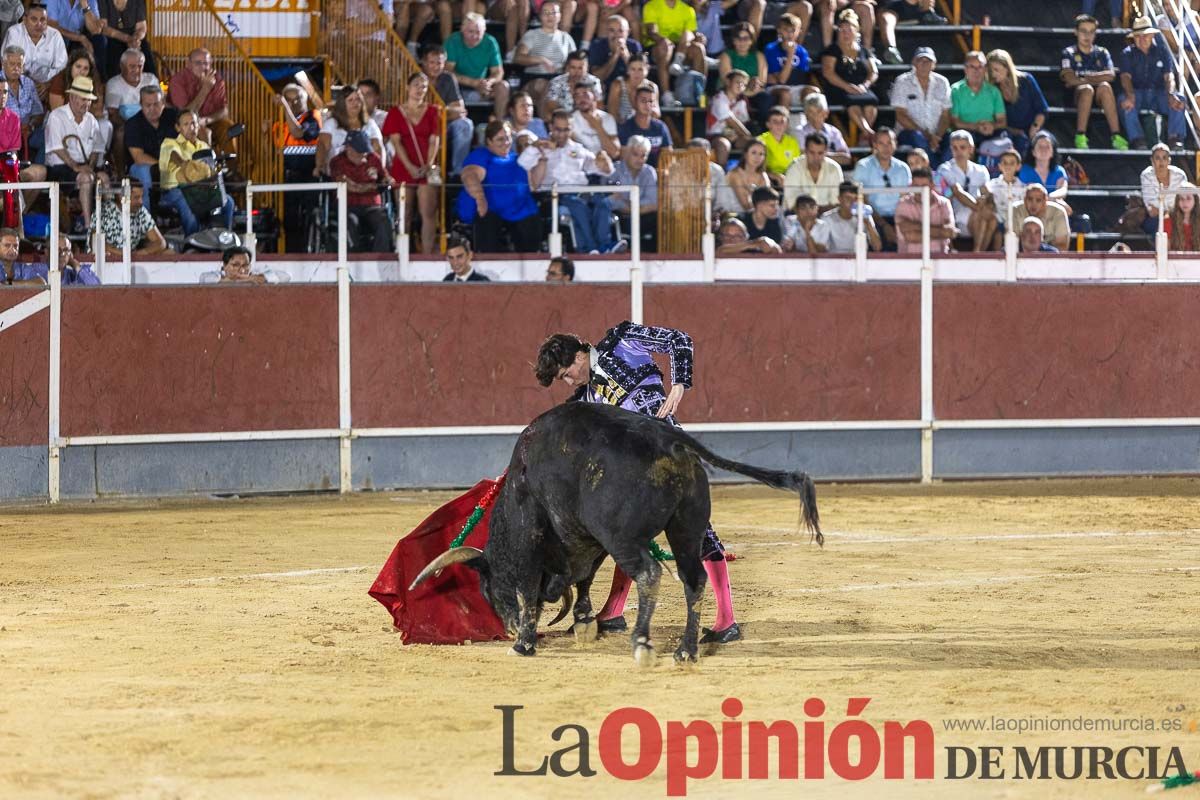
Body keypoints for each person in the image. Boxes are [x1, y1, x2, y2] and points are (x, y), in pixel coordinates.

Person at [534, 322, 743, 643]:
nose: (567, 381)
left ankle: (726, 620)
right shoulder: (587, 397)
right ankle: (613, 612)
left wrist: (679, 385)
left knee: (698, 534)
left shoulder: (622, 342)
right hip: (635, 472)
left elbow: (679, 339)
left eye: (565, 373)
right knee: (625, 533)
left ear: (579, 356)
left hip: (669, 454)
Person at [520, 109, 620, 254]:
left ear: (571, 129)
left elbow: (601, 169)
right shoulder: (541, 147)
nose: (562, 134)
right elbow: (522, 163)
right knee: (578, 205)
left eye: (566, 130)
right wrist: (537, 145)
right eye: (558, 130)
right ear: (551, 128)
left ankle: (604, 245)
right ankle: (591, 247)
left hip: (582, 192)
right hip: (555, 196)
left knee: (603, 203)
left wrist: (605, 162)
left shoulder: (578, 149)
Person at [457, 120, 542, 253]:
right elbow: (469, 176)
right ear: (489, 141)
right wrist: (480, 198)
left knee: (531, 221)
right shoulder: (481, 155)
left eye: (508, 138)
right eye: (500, 139)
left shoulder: (517, 158)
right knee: (488, 221)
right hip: (491, 211)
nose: (506, 143)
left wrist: (543, 158)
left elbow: (534, 185)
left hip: (520, 211)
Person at [384, 72, 441, 255]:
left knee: (429, 213)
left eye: (424, 86)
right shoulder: (395, 112)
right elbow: (396, 142)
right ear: (407, 87)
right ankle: (403, 254)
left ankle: (427, 255)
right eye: (416, 84)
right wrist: (410, 166)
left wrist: (429, 164)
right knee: (404, 214)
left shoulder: (433, 111)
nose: (420, 89)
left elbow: (435, 140)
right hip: (403, 166)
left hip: (427, 166)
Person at [159, 109, 233, 234]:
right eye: (186, 124)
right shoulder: (169, 143)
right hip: (175, 191)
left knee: (228, 202)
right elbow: (175, 156)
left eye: (193, 123)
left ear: (198, 125)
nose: (191, 127)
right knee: (189, 205)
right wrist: (187, 165)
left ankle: (222, 239)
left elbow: (212, 170)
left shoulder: (203, 146)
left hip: (202, 189)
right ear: (178, 128)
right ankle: (192, 244)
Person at [1060, 13, 1127, 150]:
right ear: (1076, 32)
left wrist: (1084, 78)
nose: (1087, 36)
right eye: (1083, 31)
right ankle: (1080, 135)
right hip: (1075, 95)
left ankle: (1116, 135)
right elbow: (1068, 79)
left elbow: (1110, 75)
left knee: (1105, 86)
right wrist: (1090, 79)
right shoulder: (1069, 52)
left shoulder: (1102, 52)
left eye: (1091, 32)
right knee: (1087, 89)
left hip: (1098, 94)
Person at [1118, 16, 1187, 149]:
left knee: (1179, 99)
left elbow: (1169, 76)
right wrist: (1130, 95)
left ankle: (1175, 138)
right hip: (1137, 93)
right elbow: (1125, 78)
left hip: (1159, 93)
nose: (1141, 39)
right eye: (1137, 36)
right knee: (1125, 102)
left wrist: (1171, 93)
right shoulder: (1127, 53)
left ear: (1151, 35)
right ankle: (1138, 139)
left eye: (1144, 36)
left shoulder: (1162, 51)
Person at [45, 74, 103, 229]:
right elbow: (57, 148)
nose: (87, 103)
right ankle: (88, 226)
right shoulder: (57, 116)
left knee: (103, 178)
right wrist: (76, 167)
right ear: (72, 97)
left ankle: (104, 222)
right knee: (85, 178)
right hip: (60, 168)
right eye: (84, 99)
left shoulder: (91, 120)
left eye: (89, 100)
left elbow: (97, 149)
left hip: (83, 165)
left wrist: (90, 165)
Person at [329, 129, 394, 253]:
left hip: (372, 205)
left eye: (364, 150)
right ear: (348, 147)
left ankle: (380, 258)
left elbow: (385, 177)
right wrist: (372, 187)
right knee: (349, 222)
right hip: (348, 205)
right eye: (359, 151)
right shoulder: (337, 162)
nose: (363, 154)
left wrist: (387, 180)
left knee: (383, 220)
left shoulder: (374, 158)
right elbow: (350, 186)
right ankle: (353, 259)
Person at [818, 11, 878, 139]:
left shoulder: (863, 51)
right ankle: (867, 132)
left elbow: (873, 72)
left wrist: (865, 85)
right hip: (839, 87)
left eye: (849, 30)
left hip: (861, 87)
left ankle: (863, 136)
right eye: (842, 30)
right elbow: (828, 73)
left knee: (870, 103)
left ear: (856, 32)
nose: (845, 34)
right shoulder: (832, 50)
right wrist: (847, 87)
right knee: (853, 103)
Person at [167, 48, 234, 158]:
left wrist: (207, 119)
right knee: (204, 132)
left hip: (208, 120)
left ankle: (231, 170)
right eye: (198, 63)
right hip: (184, 124)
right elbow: (185, 113)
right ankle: (208, 168)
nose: (203, 67)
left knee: (227, 126)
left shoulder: (217, 79)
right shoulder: (178, 80)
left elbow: (224, 110)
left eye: (206, 63)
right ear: (188, 64)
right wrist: (205, 89)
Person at [890, 46, 950, 165]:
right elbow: (900, 115)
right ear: (913, 62)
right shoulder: (902, 81)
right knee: (918, 138)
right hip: (909, 132)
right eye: (920, 60)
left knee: (954, 140)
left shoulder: (942, 82)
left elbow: (945, 115)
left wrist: (937, 136)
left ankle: (943, 171)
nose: (924, 64)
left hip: (937, 133)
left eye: (928, 61)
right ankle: (936, 171)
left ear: (934, 64)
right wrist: (926, 135)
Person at [641, 0, 708, 107]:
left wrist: (699, 37)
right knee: (665, 47)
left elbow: (692, 34)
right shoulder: (651, 6)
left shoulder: (688, 9)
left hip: (681, 46)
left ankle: (699, 94)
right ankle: (667, 95)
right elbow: (651, 32)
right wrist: (665, 41)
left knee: (699, 48)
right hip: (657, 46)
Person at [445, 13, 510, 120]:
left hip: (481, 87)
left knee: (503, 86)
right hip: (457, 87)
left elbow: (498, 72)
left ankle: (499, 124)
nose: (474, 36)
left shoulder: (490, 42)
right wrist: (473, 83)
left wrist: (488, 82)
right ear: (462, 29)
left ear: (484, 31)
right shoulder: (453, 41)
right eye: (470, 32)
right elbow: (447, 72)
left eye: (478, 32)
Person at [851, 126, 909, 244]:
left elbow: (905, 199)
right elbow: (861, 200)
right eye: (881, 143)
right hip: (872, 218)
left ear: (895, 144)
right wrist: (884, 225)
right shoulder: (863, 166)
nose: (886, 147)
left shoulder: (903, 168)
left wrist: (897, 224)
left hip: (899, 219)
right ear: (875, 145)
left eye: (889, 142)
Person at [420, 45, 471, 177]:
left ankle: (458, 173)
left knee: (465, 124)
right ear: (424, 62)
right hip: (421, 124)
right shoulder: (417, 78)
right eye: (432, 62)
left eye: (439, 63)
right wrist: (445, 111)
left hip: (444, 124)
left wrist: (437, 113)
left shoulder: (448, 78)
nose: (436, 67)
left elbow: (460, 109)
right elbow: (417, 110)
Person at [986, 48, 1047, 158]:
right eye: (990, 70)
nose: (993, 74)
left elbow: (1042, 109)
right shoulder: (992, 89)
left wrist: (1035, 127)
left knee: (1041, 141)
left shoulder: (1026, 80)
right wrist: (1013, 131)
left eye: (996, 69)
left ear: (1007, 68)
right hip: (1007, 131)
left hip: (1030, 129)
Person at [936, 129, 990, 250]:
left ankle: (979, 253)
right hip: (954, 213)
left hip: (976, 213)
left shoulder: (981, 170)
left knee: (989, 214)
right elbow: (957, 192)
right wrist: (977, 206)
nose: (958, 152)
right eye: (955, 148)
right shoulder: (945, 169)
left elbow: (986, 192)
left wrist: (984, 199)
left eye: (962, 147)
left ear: (971, 149)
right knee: (980, 213)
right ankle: (977, 253)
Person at [123, 85, 175, 210]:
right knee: (143, 170)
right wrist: (163, 166)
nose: (152, 109)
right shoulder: (133, 124)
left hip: (172, 167)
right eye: (148, 105)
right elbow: (138, 157)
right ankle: (146, 219)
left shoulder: (174, 117)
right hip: (146, 167)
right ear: (141, 104)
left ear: (163, 103)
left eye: (156, 104)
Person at [515, 1, 576, 105]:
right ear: (540, 16)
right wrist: (541, 60)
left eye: (553, 12)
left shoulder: (566, 38)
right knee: (546, 86)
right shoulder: (531, 35)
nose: (549, 16)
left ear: (560, 16)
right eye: (545, 12)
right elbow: (518, 58)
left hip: (559, 78)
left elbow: (574, 61)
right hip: (534, 77)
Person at [315, 87, 384, 176]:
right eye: (350, 100)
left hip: (364, 175)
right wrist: (319, 166)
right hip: (337, 174)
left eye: (358, 99)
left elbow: (378, 148)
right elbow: (322, 146)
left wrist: (380, 171)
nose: (355, 103)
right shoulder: (331, 123)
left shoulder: (370, 124)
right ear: (342, 104)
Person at [3, 2, 67, 95]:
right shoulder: (14, 33)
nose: (39, 24)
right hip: (18, 83)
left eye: (42, 20)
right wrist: (26, 84)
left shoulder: (55, 36)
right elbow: (6, 63)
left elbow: (62, 67)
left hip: (46, 87)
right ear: (25, 20)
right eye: (34, 19)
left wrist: (48, 84)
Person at [607, 134, 657, 247]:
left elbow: (653, 203)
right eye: (635, 154)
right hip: (620, 216)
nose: (640, 159)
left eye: (643, 156)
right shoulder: (614, 170)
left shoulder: (649, 172)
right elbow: (612, 201)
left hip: (643, 217)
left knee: (657, 219)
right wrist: (635, 207)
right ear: (627, 153)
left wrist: (630, 207)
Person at [97, 176, 167, 256]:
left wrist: (137, 254)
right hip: (106, 262)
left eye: (141, 197)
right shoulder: (103, 212)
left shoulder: (141, 211)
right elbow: (99, 245)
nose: (141, 202)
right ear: (121, 197)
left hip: (131, 258)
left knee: (169, 253)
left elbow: (160, 243)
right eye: (136, 198)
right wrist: (127, 256)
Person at [84, 0, 152, 81]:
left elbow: (142, 27)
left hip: (133, 37)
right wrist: (127, 38)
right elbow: (103, 28)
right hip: (112, 37)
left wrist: (135, 39)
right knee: (112, 50)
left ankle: (153, 86)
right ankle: (110, 85)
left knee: (145, 48)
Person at [950, 50, 1005, 149]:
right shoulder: (955, 90)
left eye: (980, 66)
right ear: (965, 69)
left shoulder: (994, 91)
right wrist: (976, 127)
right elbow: (954, 122)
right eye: (972, 67)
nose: (976, 70)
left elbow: (1002, 121)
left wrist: (992, 126)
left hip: (989, 133)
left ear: (985, 69)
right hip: (965, 133)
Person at [893, 166, 955, 254]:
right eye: (917, 186)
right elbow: (911, 237)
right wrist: (941, 233)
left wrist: (915, 227)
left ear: (932, 185)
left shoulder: (944, 203)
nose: (920, 190)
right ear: (911, 186)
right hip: (908, 260)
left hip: (941, 259)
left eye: (924, 186)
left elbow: (949, 232)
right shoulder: (903, 204)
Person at [717, 22, 770, 120]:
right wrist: (744, 91)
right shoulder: (726, 56)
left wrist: (750, 91)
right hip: (731, 92)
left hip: (753, 92)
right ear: (733, 40)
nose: (742, 42)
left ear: (751, 41)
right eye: (739, 39)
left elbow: (762, 82)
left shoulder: (759, 56)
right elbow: (727, 80)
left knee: (765, 99)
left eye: (746, 39)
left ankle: (762, 129)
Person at [783, 131, 843, 210]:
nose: (816, 157)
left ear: (826, 152)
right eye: (812, 152)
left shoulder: (834, 168)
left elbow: (836, 201)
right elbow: (791, 201)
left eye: (820, 153)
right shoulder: (794, 167)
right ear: (805, 151)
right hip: (797, 215)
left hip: (828, 216)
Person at [819, 180, 882, 253]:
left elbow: (877, 247)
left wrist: (867, 223)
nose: (852, 202)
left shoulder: (865, 216)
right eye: (848, 198)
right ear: (839, 199)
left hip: (859, 259)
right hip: (835, 260)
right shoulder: (827, 218)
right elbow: (821, 249)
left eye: (855, 199)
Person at [705, 68, 752, 167]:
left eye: (743, 84)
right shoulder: (719, 99)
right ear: (728, 82)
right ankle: (722, 175)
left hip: (734, 135)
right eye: (738, 82)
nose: (740, 86)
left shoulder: (741, 102)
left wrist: (748, 139)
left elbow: (743, 123)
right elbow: (732, 121)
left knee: (754, 145)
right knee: (724, 145)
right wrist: (747, 135)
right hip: (715, 136)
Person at [980, 148, 1025, 248]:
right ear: (1000, 166)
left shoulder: (1023, 188)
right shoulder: (991, 185)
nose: (1008, 166)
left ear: (1018, 167)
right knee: (998, 234)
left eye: (1012, 163)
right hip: (997, 221)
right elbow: (984, 193)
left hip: (1015, 224)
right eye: (1005, 163)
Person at [764, 12, 810, 109]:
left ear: (799, 32)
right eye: (786, 30)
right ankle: (783, 122)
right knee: (785, 93)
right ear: (779, 30)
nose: (789, 34)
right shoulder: (771, 49)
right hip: (775, 89)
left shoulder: (802, 52)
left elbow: (800, 78)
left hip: (796, 87)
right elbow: (782, 80)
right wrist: (790, 54)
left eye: (793, 30)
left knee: (813, 92)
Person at [1141, 142, 1188, 235]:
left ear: (1169, 160)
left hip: (1178, 217)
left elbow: (1184, 202)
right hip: (1156, 219)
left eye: (1164, 157)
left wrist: (1170, 213)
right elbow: (1152, 211)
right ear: (1152, 160)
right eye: (1157, 158)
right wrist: (1168, 212)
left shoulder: (1180, 175)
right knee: (1160, 226)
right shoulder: (1146, 175)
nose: (1161, 161)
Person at [617, 84, 671, 165]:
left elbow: (668, 156)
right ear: (635, 102)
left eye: (651, 101)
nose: (647, 104)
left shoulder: (660, 127)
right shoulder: (625, 127)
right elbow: (624, 159)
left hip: (657, 174)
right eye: (643, 100)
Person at [794, 92, 850, 166]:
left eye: (818, 111)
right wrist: (831, 155)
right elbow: (804, 157)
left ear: (826, 113)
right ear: (806, 114)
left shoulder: (834, 132)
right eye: (810, 112)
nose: (814, 116)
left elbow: (846, 158)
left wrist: (819, 154)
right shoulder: (799, 131)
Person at [589, 13, 643, 90]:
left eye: (620, 31)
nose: (616, 35)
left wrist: (625, 55)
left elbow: (639, 76)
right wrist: (615, 55)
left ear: (628, 32)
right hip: (604, 87)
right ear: (606, 31)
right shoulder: (597, 45)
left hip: (628, 87)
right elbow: (597, 77)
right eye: (612, 30)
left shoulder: (634, 46)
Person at [570, 81, 621, 159]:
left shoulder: (608, 118)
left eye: (585, 94)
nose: (581, 99)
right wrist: (581, 157)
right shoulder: (571, 120)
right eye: (577, 96)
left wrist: (598, 127)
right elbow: (571, 153)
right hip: (581, 164)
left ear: (595, 96)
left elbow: (614, 153)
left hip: (605, 165)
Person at [1018, 130, 1069, 208]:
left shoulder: (1059, 171)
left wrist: (1049, 197)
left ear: (1052, 152)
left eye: (1047, 147)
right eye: (1040, 146)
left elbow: (1063, 190)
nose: (1043, 150)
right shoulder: (1025, 170)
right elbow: (1028, 193)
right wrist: (1050, 200)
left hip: (1053, 207)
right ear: (1033, 152)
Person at [1012, 182, 1069, 252]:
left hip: (1049, 257)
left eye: (1038, 200)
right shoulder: (1015, 209)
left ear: (1045, 201)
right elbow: (1012, 242)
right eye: (1030, 199)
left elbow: (1062, 245)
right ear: (1024, 200)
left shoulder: (1058, 212)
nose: (1033, 204)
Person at [544, 50, 601, 117]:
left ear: (587, 68)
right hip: (564, 118)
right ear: (567, 67)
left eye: (580, 68)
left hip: (589, 117)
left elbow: (599, 105)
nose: (576, 72)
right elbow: (551, 105)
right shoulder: (557, 82)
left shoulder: (594, 81)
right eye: (573, 67)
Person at [756, 104, 800, 182]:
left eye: (782, 121)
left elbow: (796, 165)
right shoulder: (760, 140)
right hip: (766, 179)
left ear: (787, 124)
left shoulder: (793, 141)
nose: (779, 125)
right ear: (768, 124)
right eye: (775, 121)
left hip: (789, 178)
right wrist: (775, 176)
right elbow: (756, 167)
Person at [725, 137, 770, 212]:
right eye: (753, 153)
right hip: (734, 214)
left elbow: (768, 199)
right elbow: (746, 205)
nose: (757, 157)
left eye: (761, 154)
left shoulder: (763, 175)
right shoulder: (735, 174)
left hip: (758, 214)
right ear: (745, 154)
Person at [715, 214, 781, 254]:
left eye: (738, 236)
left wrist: (769, 243)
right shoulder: (716, 252)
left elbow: (777, 251)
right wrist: (754, 244)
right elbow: (721, 250)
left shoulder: (754, 253)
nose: (731, 240)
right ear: (720, 237)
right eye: (727, 236)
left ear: (745, 238)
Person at [1164, 183, 1200, 250]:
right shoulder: (1168, 220)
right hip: (1176, 259)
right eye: (1181, 198)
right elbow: (1165, 249)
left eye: (1188, 198)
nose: (1185, 202)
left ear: (1195, 200)